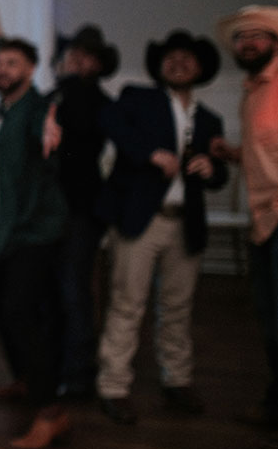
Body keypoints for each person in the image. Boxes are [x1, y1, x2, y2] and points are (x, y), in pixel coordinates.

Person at [95, 31, 227, 426]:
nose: (179, 62)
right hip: (142, 220)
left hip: (185, 223)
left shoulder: (210, 120)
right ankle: (113, 387)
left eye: (188, 57)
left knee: (177, 308)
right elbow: (111, 123)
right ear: (159, 65)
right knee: (127, 304)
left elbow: (219, 175)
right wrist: (150, 153)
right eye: (171, 56)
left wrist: (212, 168)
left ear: (201, 69)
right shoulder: (138, 98)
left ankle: (178, 381)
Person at [0, 36, 70, 449]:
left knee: (20, 309)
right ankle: (26, 379)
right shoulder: (8, 111)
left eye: (12, 63)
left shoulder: (36, 109)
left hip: (36, 229)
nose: (3, 69)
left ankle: (51, 412)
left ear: (29, 70)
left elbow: (46, 138)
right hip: (13, 228)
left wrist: (50, 137)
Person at [213, 5, 278, 449]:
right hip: (262, 218)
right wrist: (232, 153)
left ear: (275, 44)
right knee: (268, 320)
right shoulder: (251, 92)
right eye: (241, 38)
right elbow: (268, 153)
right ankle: (277, 404)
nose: (247, 44)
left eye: (256, 37)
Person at [49, 25, 119, 397]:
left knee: (75, 288)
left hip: (81, 208)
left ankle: (78, 372)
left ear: (98, 63)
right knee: (55, 288)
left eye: (86, 55)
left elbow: (81, 133)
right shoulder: (54, 96)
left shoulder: (99, 102)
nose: (77, 59)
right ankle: (56, 364)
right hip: (50, 209)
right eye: (73, 53)